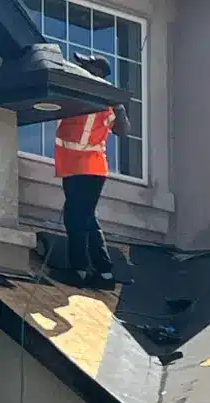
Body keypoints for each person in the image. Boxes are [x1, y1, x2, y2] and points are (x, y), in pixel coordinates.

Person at [54, 53, 130, 287]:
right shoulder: (98, 96)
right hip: (80, 167)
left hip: (84, 166)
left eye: (86, 65)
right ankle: (103, 273)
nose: (81, 67)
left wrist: (118, 107)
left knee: (77, 218)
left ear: (97, 71)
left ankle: (80, 271)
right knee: (85, 217)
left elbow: (123, 130)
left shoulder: (98, 95)